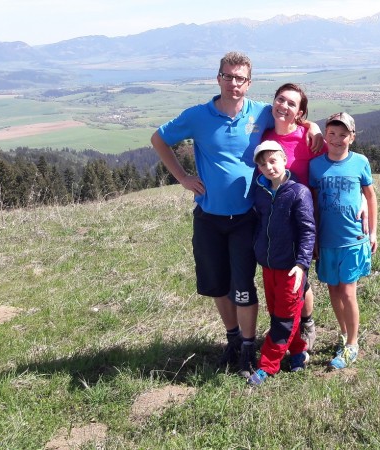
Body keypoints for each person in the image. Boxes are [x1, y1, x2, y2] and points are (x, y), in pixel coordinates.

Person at [151, 51, 322, 378]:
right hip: (208, 217)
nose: (233, 83)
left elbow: (290, 117)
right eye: (228, 76)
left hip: (246, 217)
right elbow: (159, 139)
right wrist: (183, 178)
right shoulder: (197, 116)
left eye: (240, 78)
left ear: (249, 83)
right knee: (218, 286)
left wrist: (312, 126)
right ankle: (232, 339)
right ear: (218, 78)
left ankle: (247, 347)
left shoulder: (260, 112)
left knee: (243, 286)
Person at [309, 112, 378, 370]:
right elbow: (314, 204)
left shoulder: (360, 162)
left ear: (352, 137)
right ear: (325, 135)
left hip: (353, 239)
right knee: (333, 291)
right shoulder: (315, 166)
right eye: (332, 133)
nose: (337, 139)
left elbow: (370, 196)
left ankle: (352, 343)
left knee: (348, 292)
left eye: (343, 134)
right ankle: (344, 332)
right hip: (327, 240)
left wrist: (373, 232)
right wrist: (314, 237)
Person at [246, 140, 316, 386]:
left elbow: (307, 230)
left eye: (273, 161)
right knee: (279, 312)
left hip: (291, 268)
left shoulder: (299, 192)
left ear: (284, 160)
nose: (269, 167)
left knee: (285, 316)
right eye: (263, 164)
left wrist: (302, 264)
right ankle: (297, 351)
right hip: (268, 264)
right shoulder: (260, 192)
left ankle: (268, 364)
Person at [262, 83, 324, 352]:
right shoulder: (263, 135)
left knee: (300, 278)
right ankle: (286, 326)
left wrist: (362, 198)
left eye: (291, 103)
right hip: (272, 221)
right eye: (280, 99)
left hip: (302, 221)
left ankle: (305, 324)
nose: (284, 106)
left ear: (300, 113)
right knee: (279, 278)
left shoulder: (309, 139)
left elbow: (335, 165)